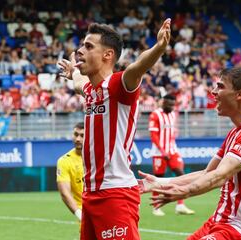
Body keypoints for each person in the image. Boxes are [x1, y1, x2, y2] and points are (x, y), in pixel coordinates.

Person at [57, 19, 171, 240]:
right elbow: (79, 82)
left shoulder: (119, 85)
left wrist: (158, 48)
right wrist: (73, 72)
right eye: (82, 45)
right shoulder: (90, 90)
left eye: (89, 46)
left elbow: (137, 67)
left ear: (107, 55)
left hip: (114, 194)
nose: (80, 50)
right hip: (90, 196)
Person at [140, 66, 241, 240]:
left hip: (240, 230)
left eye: (220, 87)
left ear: (240, 94)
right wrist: (158, 183)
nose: (213, 92)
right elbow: (208, 173)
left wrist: (185, 191)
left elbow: (219, 176)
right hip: (218, 222)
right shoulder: (236, 133)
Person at [148, 94, 194, 216]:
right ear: (163, 102)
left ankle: (180, 205)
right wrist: (163, 151)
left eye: (173, 104)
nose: (171, 106)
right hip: (159, 152)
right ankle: (156, 207)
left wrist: (170, 148)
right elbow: (153, 135)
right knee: (158, 178)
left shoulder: (173, 114)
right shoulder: (155, 115)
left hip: (172, 150)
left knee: (181, 175)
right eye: (169, 104)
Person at [56, 122, 84, 222]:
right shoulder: (64, 161)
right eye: (76, 135)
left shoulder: (101, 157)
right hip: (85, 213)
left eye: (82, 136)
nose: (78, 139)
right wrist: (80, 215)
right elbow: (64, 193)